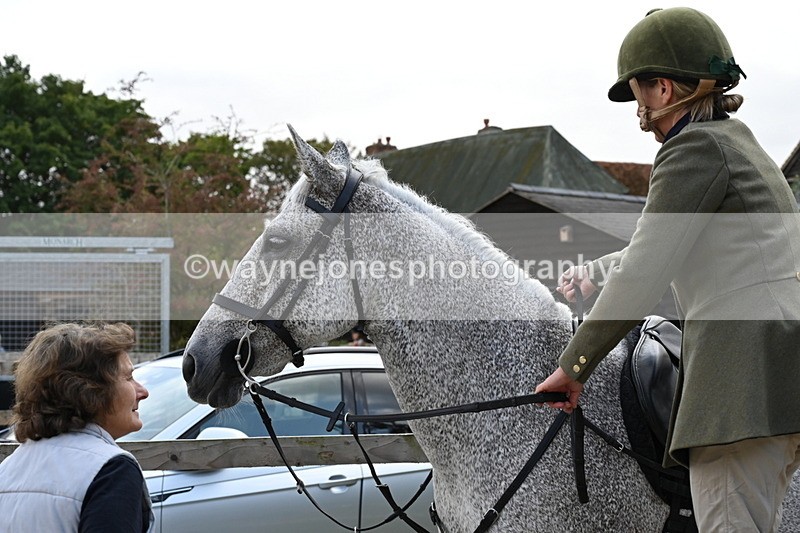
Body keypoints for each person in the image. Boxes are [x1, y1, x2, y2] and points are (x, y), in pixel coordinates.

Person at [535, 7, 800, 532]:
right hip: (777, 378)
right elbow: (670, 247)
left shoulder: (692, 148)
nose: (640, 111)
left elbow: (645, 270)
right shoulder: (738, 142)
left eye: (639, 93)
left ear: (663, 89)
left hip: (739, 388)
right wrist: (596, 272)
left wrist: (573, 366)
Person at [0, 322, 153, 532]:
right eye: (128, 377)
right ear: (91, 391)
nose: (143, 392)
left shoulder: (8, 470)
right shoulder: (111, 470)